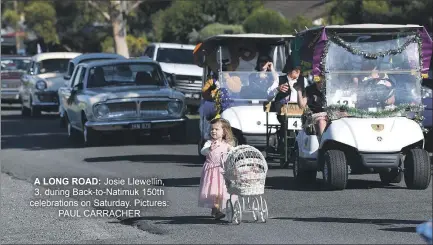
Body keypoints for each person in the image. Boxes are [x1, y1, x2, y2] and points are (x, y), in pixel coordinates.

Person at [198, 118, 235, 220]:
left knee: (222, 191)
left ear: (224, 132)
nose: (213, 131)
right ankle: (216, 211)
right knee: (214, 191)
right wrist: (209, 149)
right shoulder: (209, 143)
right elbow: (203, 152)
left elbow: (233, 152)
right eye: (212, 129)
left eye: (216, 129)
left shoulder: (226, 145)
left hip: (223, 171)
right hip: (212, 172)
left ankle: (217, 210)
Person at [296, 73, 327, 139]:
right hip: (315, 115)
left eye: (322, 81)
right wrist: (299, 91)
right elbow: (301, 105)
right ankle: (323, 145)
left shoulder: (330, 88)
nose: (320, 84)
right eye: (318, 82)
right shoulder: (310, 89)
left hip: (330, 114)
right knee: (321, 122)